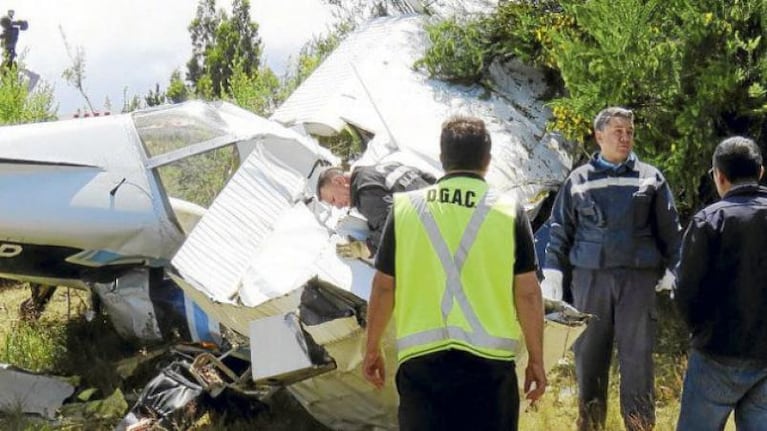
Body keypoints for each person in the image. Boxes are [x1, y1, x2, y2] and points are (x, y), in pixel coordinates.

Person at [362, 116, 546, 430]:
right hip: (490, 368)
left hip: (423, 366)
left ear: (442, 159)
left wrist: (372, 349)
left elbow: (383, 288)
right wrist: (536, 360)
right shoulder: (507, 210)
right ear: (487, 161)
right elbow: (527, 293)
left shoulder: (406, 209)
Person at [541, 107, 681, 431]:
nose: (625, 137)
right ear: (599, 135)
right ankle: (590, 425)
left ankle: (639, 425)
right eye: (617, 130)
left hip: (637, 282)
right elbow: (560, 230)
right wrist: (553, 274)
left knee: (637, 360)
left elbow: (671, 231)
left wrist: (675, 269)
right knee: (589, 358)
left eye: (629, 131)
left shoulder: (650, 177)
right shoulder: (578, 180)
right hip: (590, 281)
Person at [675, 136, 767, 431]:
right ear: (761, 172)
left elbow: (685, 291)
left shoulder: (708, 221)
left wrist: (700, 330)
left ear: (719, 176)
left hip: (716, 353)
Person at [317, 162, 435, 258]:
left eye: (333, 199)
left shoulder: (363, 191)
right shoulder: (386, 166)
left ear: (339, 181)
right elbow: (428, 178)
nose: (337, 206)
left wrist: (365, 248)